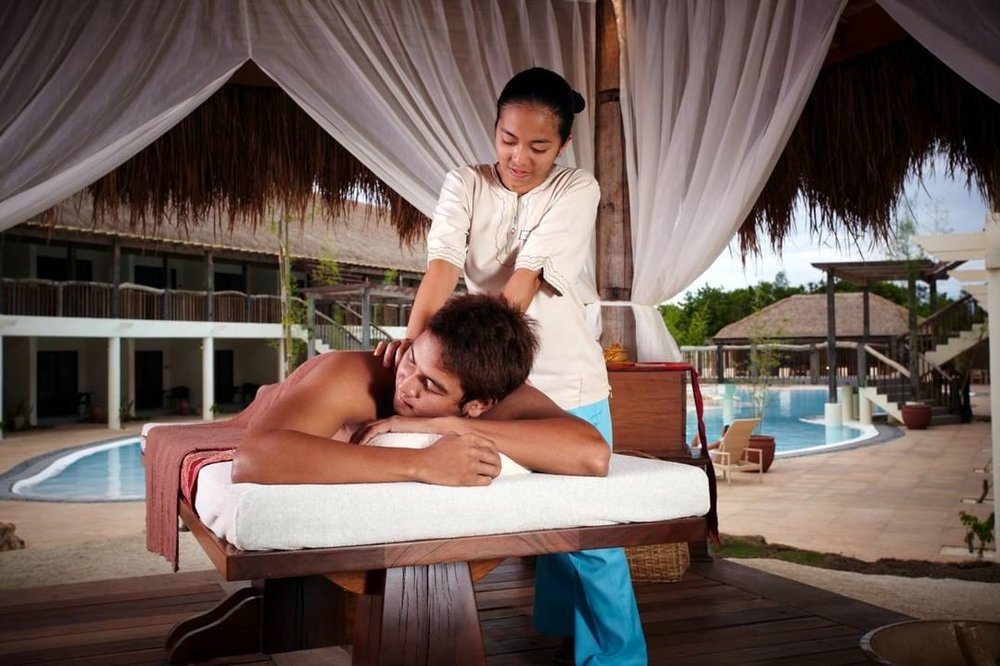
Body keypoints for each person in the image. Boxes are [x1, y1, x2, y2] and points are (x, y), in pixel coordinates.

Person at [377, 68, 646, 665]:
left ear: (563, 146)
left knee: (590, 533)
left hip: (563, 380)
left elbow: (521, 287)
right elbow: (443, 267)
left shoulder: (577, 189)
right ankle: (558, 631)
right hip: (491, 376)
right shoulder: (464, 183)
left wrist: (464, 364)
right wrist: (415, 350)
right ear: (494, 129)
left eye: (538, 146)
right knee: (538, 520)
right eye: (506, 139)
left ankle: (617, 658)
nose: (518, 157)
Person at [233, 293, 610, 486]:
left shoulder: (498, 390)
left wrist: (443, 427)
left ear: (478, 404)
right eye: (412, 359)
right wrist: (422, 464)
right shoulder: (356, 374)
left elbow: (592, 454)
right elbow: (253, 458)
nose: (407, 385)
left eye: (430, 385)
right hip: (282, 400)